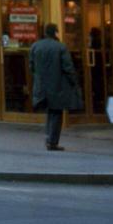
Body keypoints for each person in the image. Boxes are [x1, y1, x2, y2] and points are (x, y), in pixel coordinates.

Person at [30, 22, 80, 151]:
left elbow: (31, 66)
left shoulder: (35, 46)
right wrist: (74, 82)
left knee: (49, 112)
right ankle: (52, 142)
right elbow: (68, 67)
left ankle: (48, 138)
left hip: (41, 85)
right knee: (56, 113)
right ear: (55, 33)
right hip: (57, 85)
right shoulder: (60, 47)